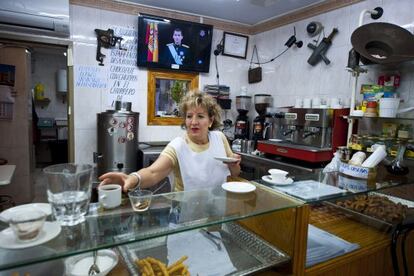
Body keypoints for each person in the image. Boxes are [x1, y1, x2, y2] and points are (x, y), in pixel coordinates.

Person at [99, 91, 241, 192]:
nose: (193, 122)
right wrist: (132, 178)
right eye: (189, 116)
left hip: (217, 210)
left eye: (200, 116)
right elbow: (153, 172)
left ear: (210, 120)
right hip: (186, 216)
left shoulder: (220, 138)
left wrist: (234, 165)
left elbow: (234, 173)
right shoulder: (178, 146)